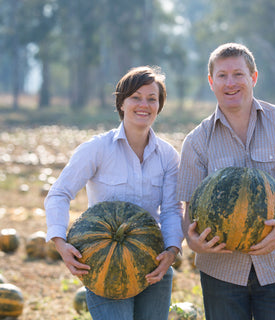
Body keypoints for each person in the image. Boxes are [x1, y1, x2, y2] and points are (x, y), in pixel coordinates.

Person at [176, 43, 275, 319]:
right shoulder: (196, 141)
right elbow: (187, 203)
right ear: (211, 82)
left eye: (238, 74)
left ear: (253, 77)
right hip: (220, 269)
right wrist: (192, 241)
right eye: (222, 75)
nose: (230, 83)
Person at [44, 66, 183, 320]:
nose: (144, 104)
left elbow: (173, 208)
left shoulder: (168, 156)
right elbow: (59, 193)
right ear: (121, 103)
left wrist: (172, 251)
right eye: (136, 97)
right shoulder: (97, 149)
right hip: (102, 266)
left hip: (153, 266)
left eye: (152, 99)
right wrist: (60, 243)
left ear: (159, 106)